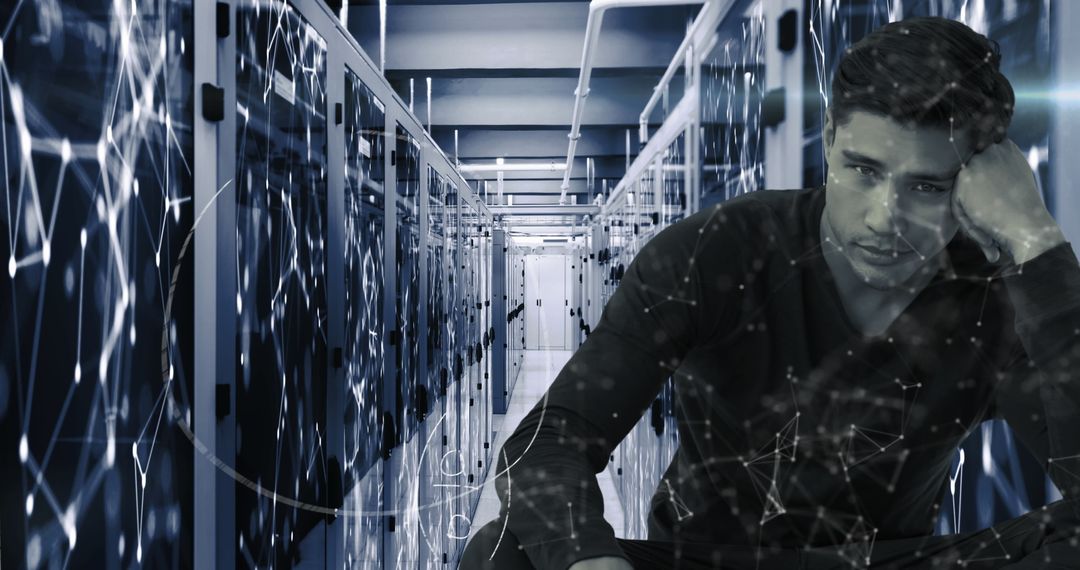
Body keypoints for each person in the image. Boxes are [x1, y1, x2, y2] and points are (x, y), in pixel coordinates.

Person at [461, 16, 1080, 570]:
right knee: (504, 550)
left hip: (891, 559)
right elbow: (547, 442)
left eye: (928, 187)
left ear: (977, 180)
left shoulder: (997, 296)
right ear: (831, 134)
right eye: (864, 171)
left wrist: (1036, 240)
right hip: (704, 558)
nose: (883, 219)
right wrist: (590, 561)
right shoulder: (718, 250)